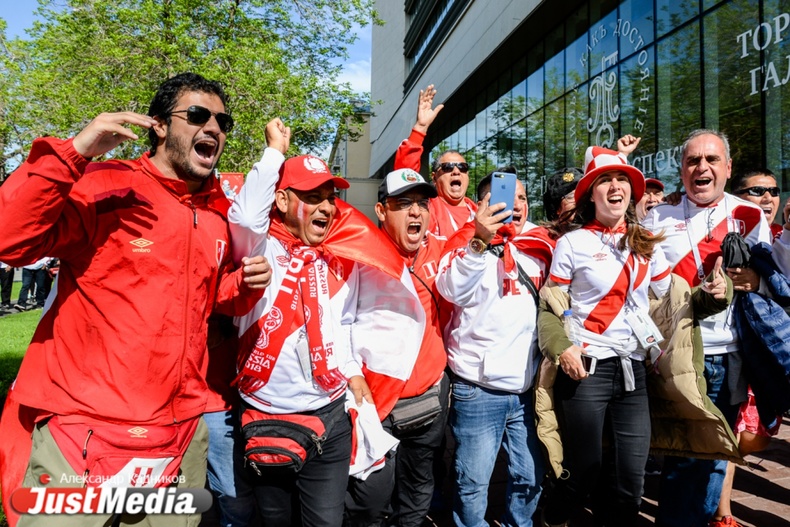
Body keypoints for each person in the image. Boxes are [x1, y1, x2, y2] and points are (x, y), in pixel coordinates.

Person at [0, 72, 271, 527]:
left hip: (177, 435)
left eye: (223, 122)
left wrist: (243, 285)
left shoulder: (216, 212)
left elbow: (211, 301)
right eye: (197, 115)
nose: (213, 128)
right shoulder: (105, 183)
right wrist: (75, 151)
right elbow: (11, 239)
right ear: (159, 125)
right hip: (84, 431)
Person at [228, 119, 424, 527]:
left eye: (330, 198)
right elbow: (245, 216)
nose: (327, 208)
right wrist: (274, 153)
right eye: (312, 197)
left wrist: (353, 372)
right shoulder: (258, 247)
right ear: (282, 200)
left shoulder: (341, 259)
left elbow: (344, 326)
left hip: (328, 418)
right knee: (275, 521)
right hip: (265, 415)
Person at [537, 147, 675, 527]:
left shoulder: (646, 240)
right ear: (591, 194)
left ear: (631, 191)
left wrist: (713, 292)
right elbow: (551, 305)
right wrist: (563, 348)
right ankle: (553, 516)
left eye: (622, 180)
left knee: (631, 482)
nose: (615, 187)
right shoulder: (572, 243)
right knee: (584, 471)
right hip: (586, 371)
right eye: (605, 181)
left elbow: (669, 295)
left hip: (634, 371)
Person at [642, 129, 773, 527]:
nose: (702, 167)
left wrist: (753, 279)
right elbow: (642, 286)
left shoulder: (749, 216)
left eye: (712, 159)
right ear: (682, 170)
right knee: (684, 458)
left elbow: (770, 282)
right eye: (693, 160)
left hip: (731, 355)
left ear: (728, 168)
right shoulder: (657, 216)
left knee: (717, 453)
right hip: (679, 356)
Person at [435, 169, 550, 527]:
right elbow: (451, 289)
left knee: (530, 477)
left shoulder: (541, 245)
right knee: (472, 486)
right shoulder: (464, 243)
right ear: (482, 204)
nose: (516, 205)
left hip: (527, 390)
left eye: (522, 198)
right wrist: (479, 239)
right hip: (478, 390)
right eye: (504, 198)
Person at [344, 167, 449, 527]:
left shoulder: (441, 251)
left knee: (417, 493)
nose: (415, 211)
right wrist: (352, 373)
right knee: (371, 501)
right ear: (381, 210)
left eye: (422, 203)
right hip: (378, 405)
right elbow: (339, 324)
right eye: (403, 204)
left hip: (430, 399)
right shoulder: (359, 257)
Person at [709, 168, 785, 527]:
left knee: (754, 437)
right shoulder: (724, 237)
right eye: (756, 191)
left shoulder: (781, 239)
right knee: (729, 431)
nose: (767, 197)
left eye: (773, 190)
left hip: (771, 354)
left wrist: (761, 282)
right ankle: (722, 513)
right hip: (731, 349)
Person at [394, 85, 477, 236]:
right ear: (434, 178)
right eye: (447, 167)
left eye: (462, 167)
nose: (456, 171)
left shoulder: (480, 213)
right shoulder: (426, 208)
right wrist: (420, 128)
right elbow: (404, 177)